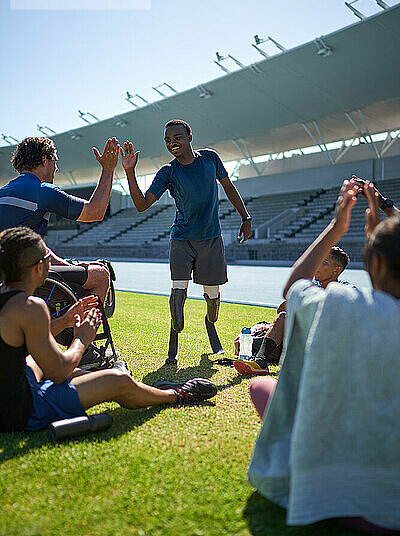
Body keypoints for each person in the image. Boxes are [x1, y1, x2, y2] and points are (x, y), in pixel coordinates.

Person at [247, 180, 400, 534]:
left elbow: (293, 289)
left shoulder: (344, 303)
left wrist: (337, 227)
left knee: (262, 387)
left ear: (374, 263)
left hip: (345, 497)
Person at [0, 226, 218, 433]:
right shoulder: (31, 307)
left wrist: (64, 321)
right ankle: (174, 394)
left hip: (9, 392)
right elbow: (58, 373)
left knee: (46, 364)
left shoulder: (9, 300)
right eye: (48, 259)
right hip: (20, 411)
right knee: (118, 382)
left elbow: (19, 338)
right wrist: (82, 339)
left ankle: (113, 384)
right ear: (39, 267)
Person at [121, 119, 252, 364]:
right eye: (168, 140)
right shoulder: (168, 172)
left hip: (210, 239)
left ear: (190, 136)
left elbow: (229, 187)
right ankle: (173, 346)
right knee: (177, 295)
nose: (173, 143)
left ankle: (210, 324)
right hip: (181, 239)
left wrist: (246, 217)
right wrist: (129, 171)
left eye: (178, 137)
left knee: (212, 295)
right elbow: (141, 205)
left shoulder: (210, 159)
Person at [0, 135, 120, 304]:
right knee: (101, 275)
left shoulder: (3, 191)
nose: (56, 168)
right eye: (54, 161)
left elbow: (36, 248)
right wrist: (108, 169)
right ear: (44, 159)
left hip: (4, 277)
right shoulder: (42, 191)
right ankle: (84, 329)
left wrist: (69, 266)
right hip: (22, 278)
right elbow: (96, 212)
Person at [234, 245, 352, 376]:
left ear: (336, 270)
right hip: (297, 342)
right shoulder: (311, 287)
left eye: (324, 263)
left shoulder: (345, 289)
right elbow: (280, 311)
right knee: (281, 319)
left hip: (323, 344)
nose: (317, 265)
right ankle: (260, 361)